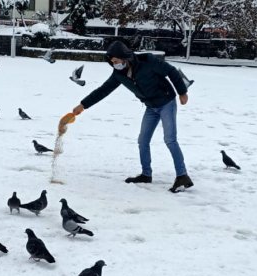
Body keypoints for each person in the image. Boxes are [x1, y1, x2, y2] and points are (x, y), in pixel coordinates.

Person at [73, 40, 193, 193]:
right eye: (112, 62)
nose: (114, 64)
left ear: (125, 57)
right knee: (142, 140)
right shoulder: (119, 75)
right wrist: (83, 105)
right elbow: (103, 90)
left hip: (166, 103)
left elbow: (172, 71)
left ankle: (182, 176)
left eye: (116, 61)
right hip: (151, 107)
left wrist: (182, 92)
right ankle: (146, 174)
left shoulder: (148, 61)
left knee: (170, 139)